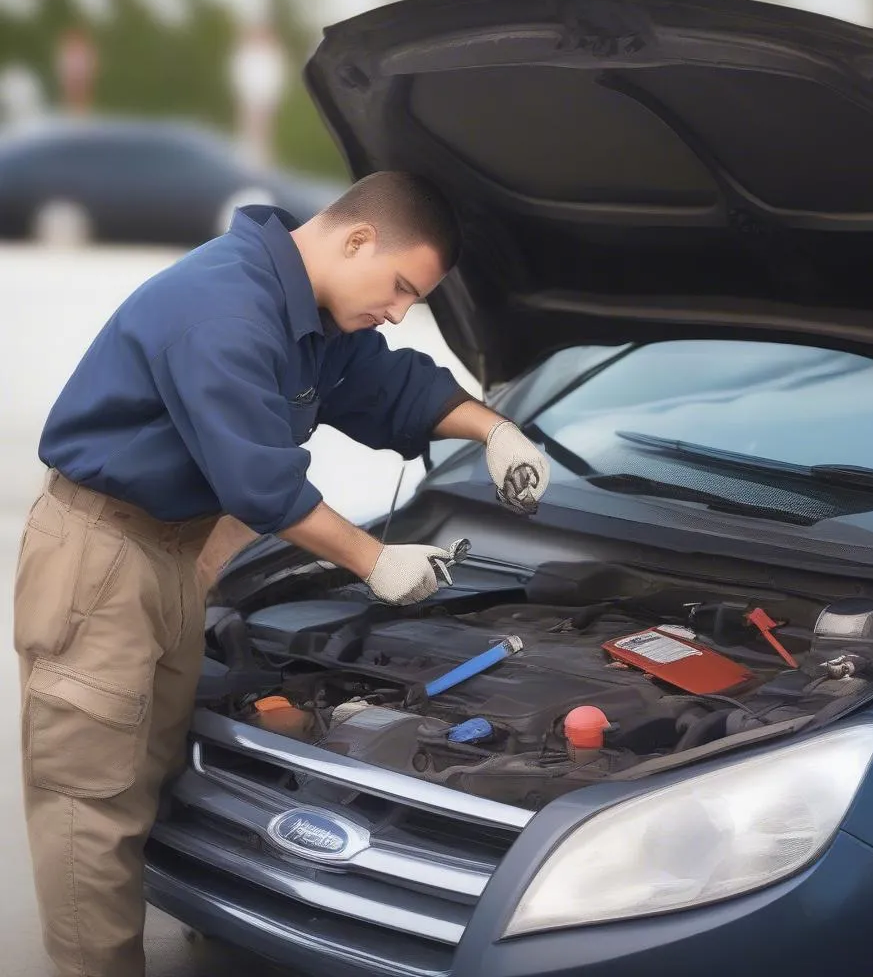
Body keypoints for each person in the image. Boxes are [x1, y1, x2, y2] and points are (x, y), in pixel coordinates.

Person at [13, 170, 550, 977]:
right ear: (357, 238)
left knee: (152, 765)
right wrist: (374, 560)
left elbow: (387, 384)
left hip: (173, 553)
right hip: (103, 557)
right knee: (92, 805)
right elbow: (260, 483)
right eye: (401, 287)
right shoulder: (224, 309)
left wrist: (495, 429)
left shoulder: (307, 313)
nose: (402, 312)